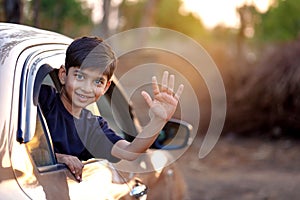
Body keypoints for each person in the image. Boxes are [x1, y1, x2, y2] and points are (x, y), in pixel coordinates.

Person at [38, 36, 184, 184]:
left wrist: (158, 121)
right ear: (63, 75)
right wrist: (59, 158)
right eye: (80, 76)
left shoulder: (92, 127)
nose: (87, 88)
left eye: (98, 81)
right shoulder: (42, 99)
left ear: (105, 87)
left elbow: (130, 151)